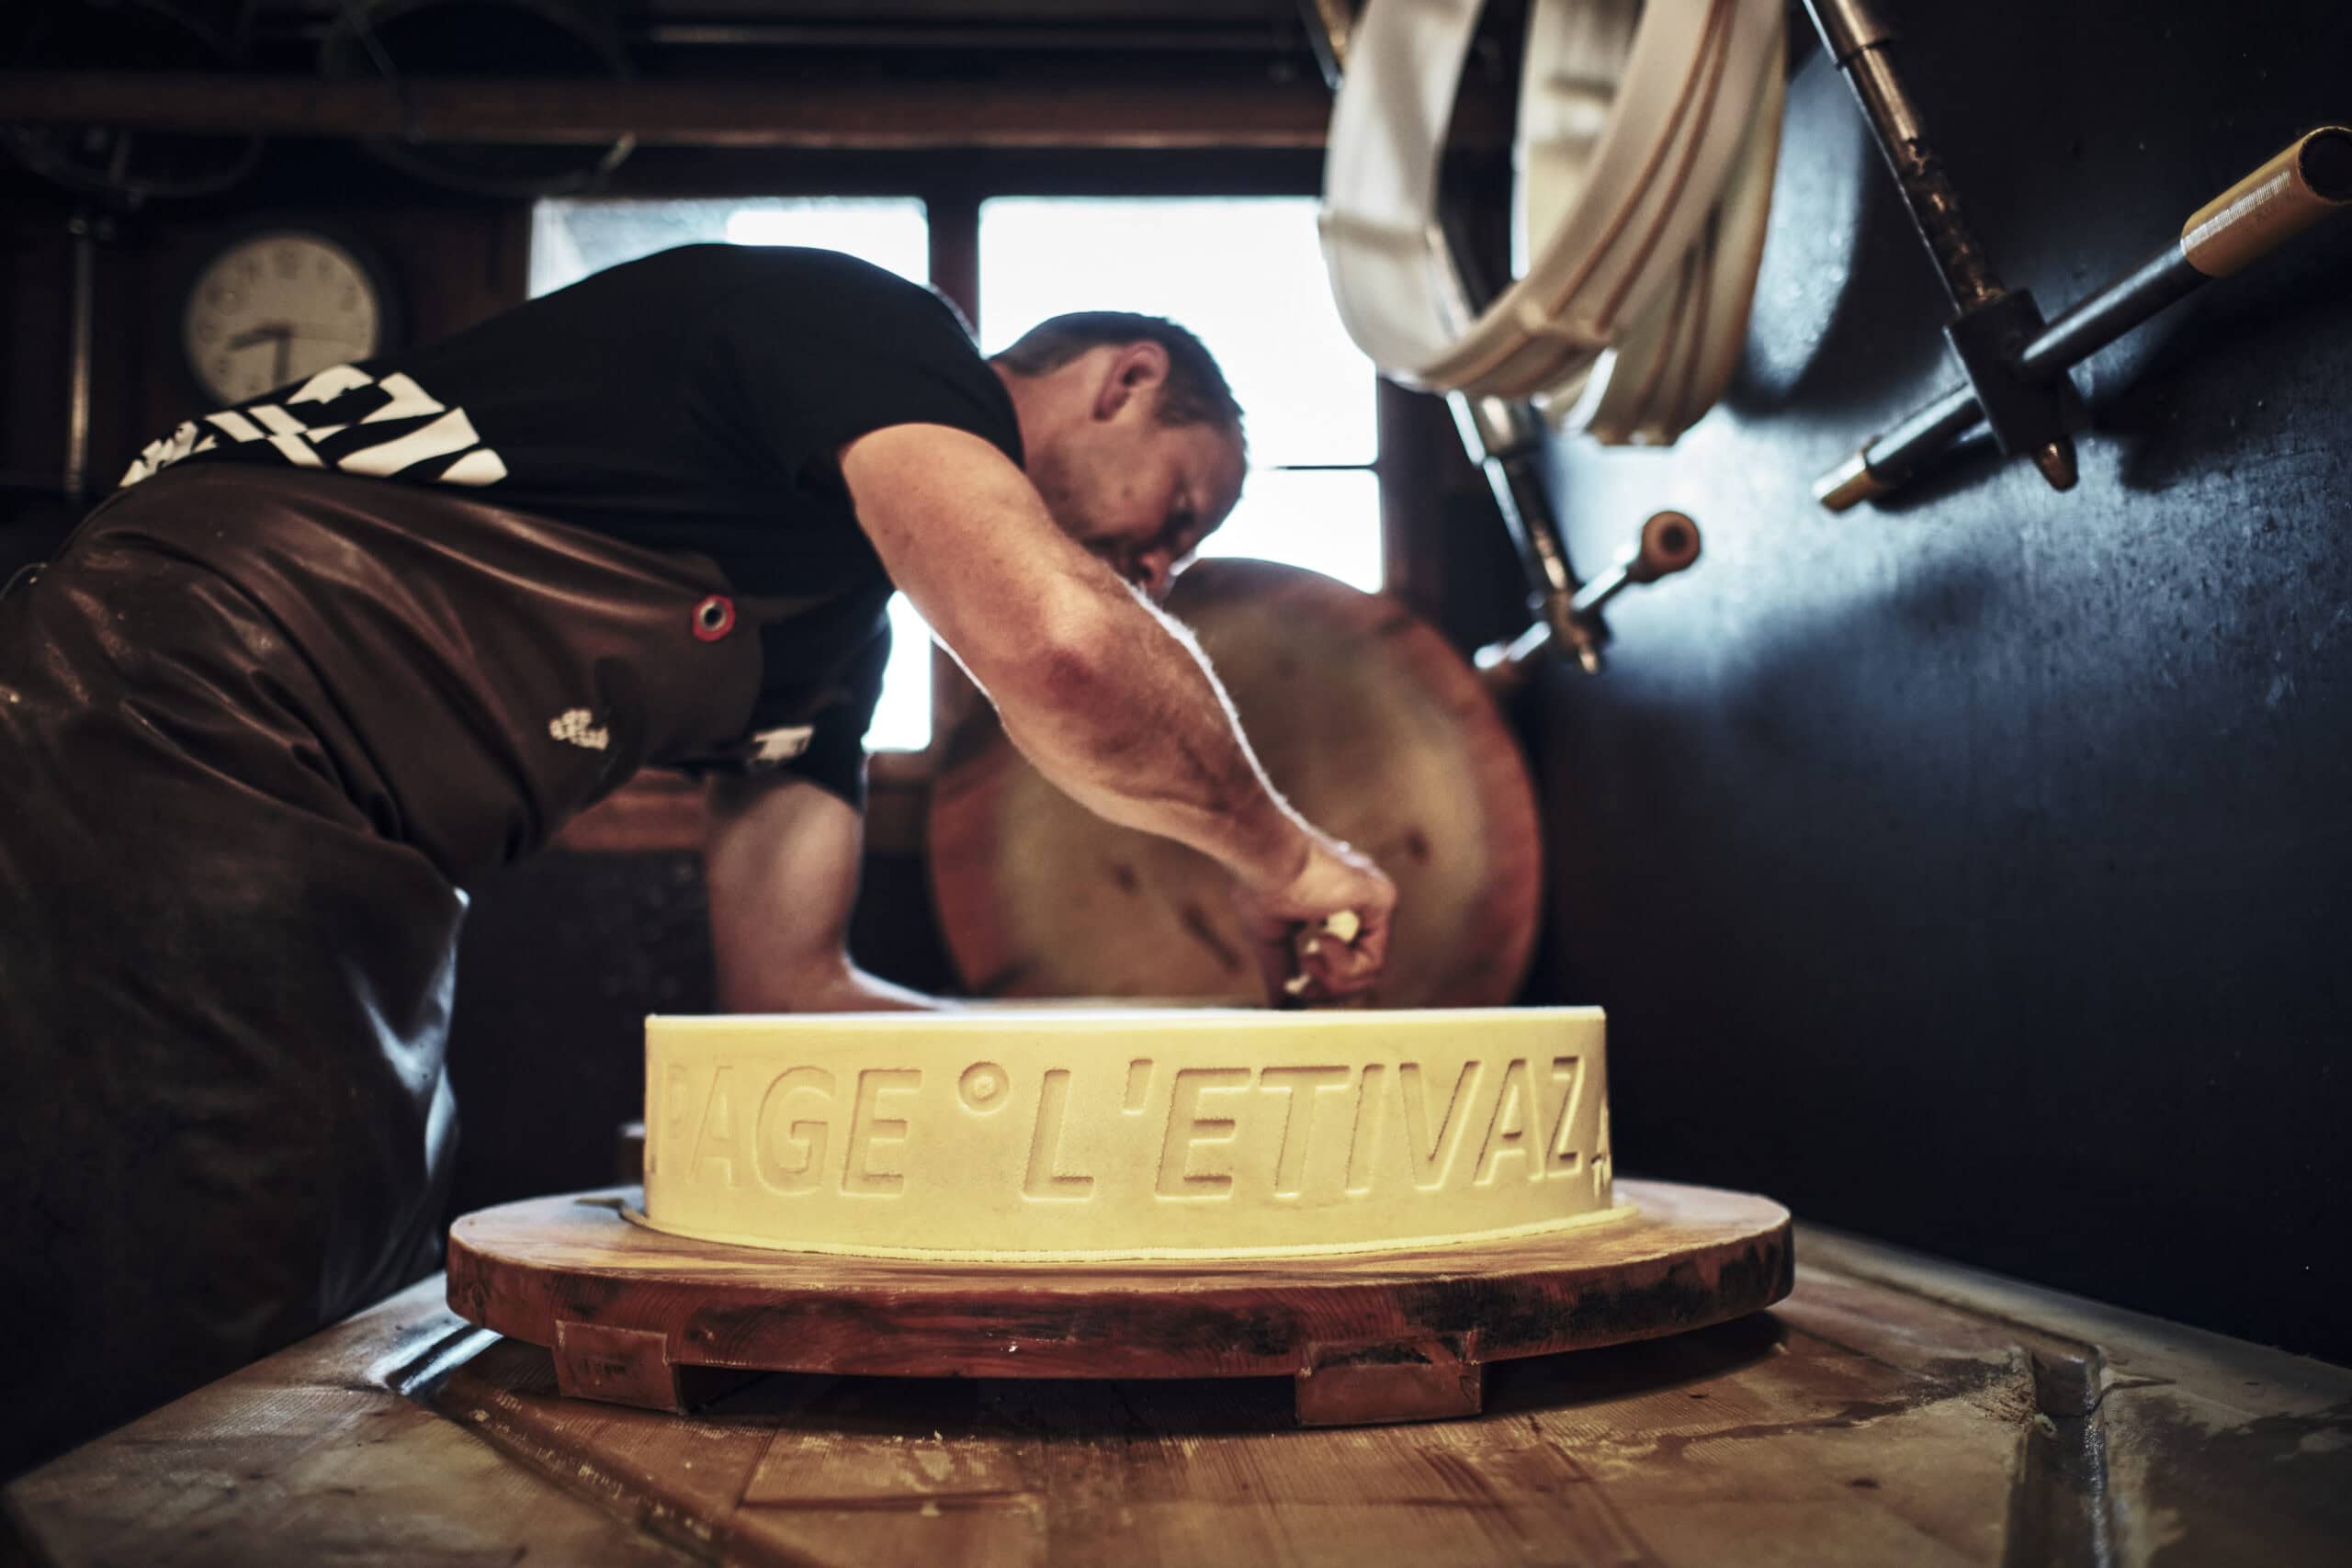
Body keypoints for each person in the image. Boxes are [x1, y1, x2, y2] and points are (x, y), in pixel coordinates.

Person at [0, 243, 1395, 1475]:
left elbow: (791, 988)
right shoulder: (873, 328)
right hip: (188, 693)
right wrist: (1288, 860)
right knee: (225, 1320)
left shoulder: (831, 638)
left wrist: (1150, 1046)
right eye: (1181, 515)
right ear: (1125, 380)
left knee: (347, 1292)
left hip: (381, 862)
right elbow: (1066, 647)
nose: (1161, 572)